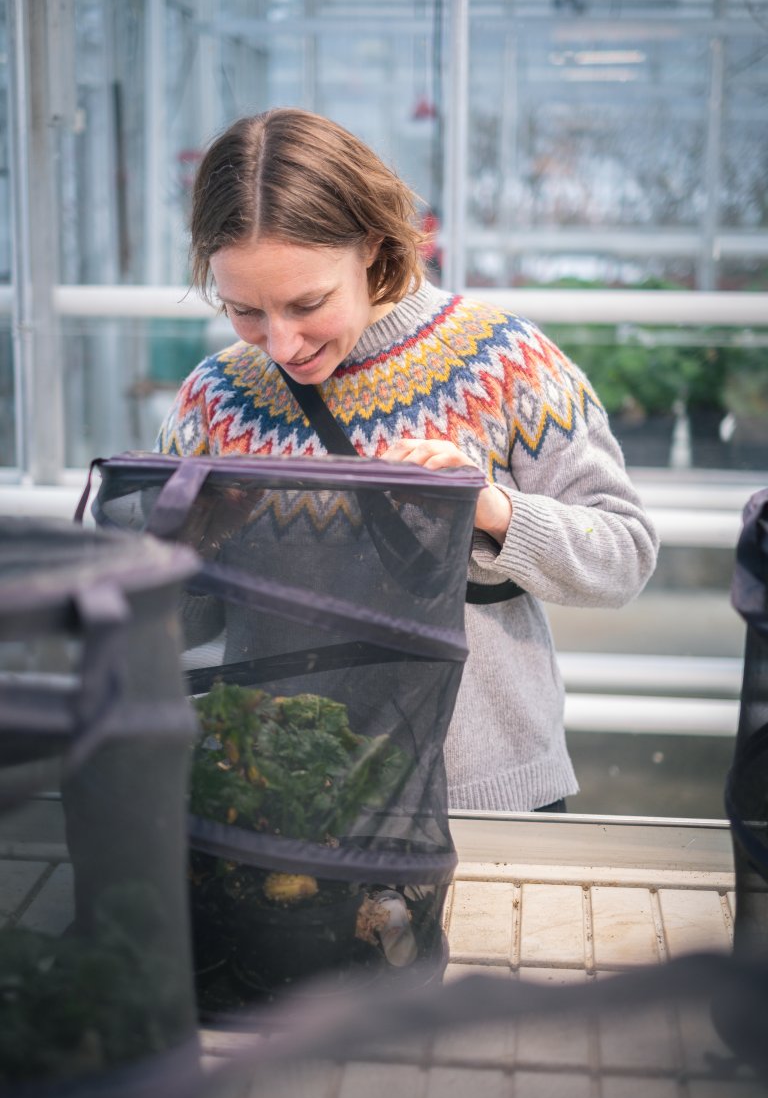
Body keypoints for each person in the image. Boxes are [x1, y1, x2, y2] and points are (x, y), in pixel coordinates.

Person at [156, 107, 659, 814]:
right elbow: (158, 616)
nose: (282, 344)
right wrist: (195, 546)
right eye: (245, 311)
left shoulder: (501, 360)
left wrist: (494, 511)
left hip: (480, 801)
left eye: (308, 303)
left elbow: (623, 555)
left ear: (371, 243)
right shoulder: (216, 397)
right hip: (284, 797)